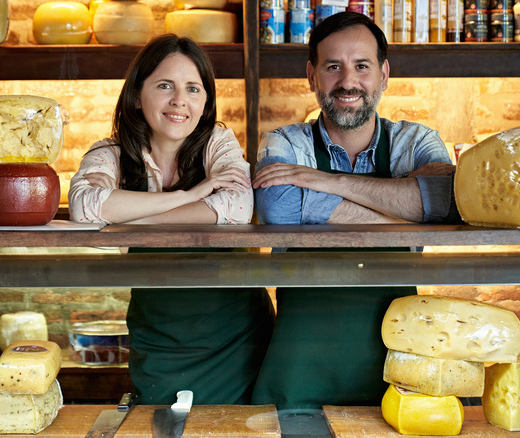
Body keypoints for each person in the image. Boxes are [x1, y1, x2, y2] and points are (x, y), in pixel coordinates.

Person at [251, 12, 462, 410]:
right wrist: (407, 209)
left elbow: (447, 202)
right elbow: (278, 206)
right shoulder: (284, 141)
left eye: (361, 66)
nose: (348, 82)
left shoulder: (415, 140)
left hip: (398, 362)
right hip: (300, 362)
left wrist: (329, 182)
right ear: (312, 75)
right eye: (333, 67)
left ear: (383, 74)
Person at [69, 34, 275, 405]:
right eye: (165, 85)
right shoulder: (110, 153)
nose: (180, 100)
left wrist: (123, 218)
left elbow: (239, 207)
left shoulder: (219, 144)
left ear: (206, 101)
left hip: (236, 336)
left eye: (193, 88)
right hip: (157, 334)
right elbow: (84, 207)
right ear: (136, 95)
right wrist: (188, 196)